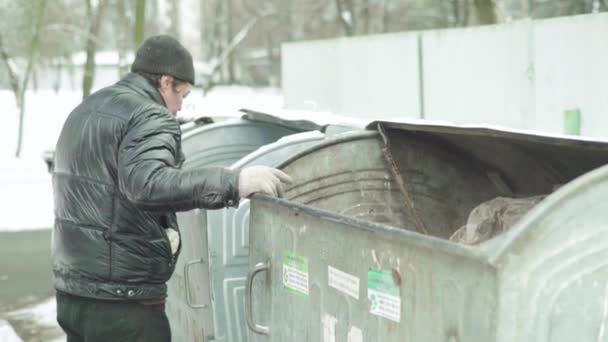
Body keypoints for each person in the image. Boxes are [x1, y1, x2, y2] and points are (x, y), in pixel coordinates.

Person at [51, 34, 291, 341]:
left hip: (74, 292)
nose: (179, 107)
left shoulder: (87, 109)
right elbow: (148, 184)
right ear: (165, 82)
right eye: (183, 94)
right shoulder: (151, 116)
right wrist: (234, 182)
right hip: (124, 303)